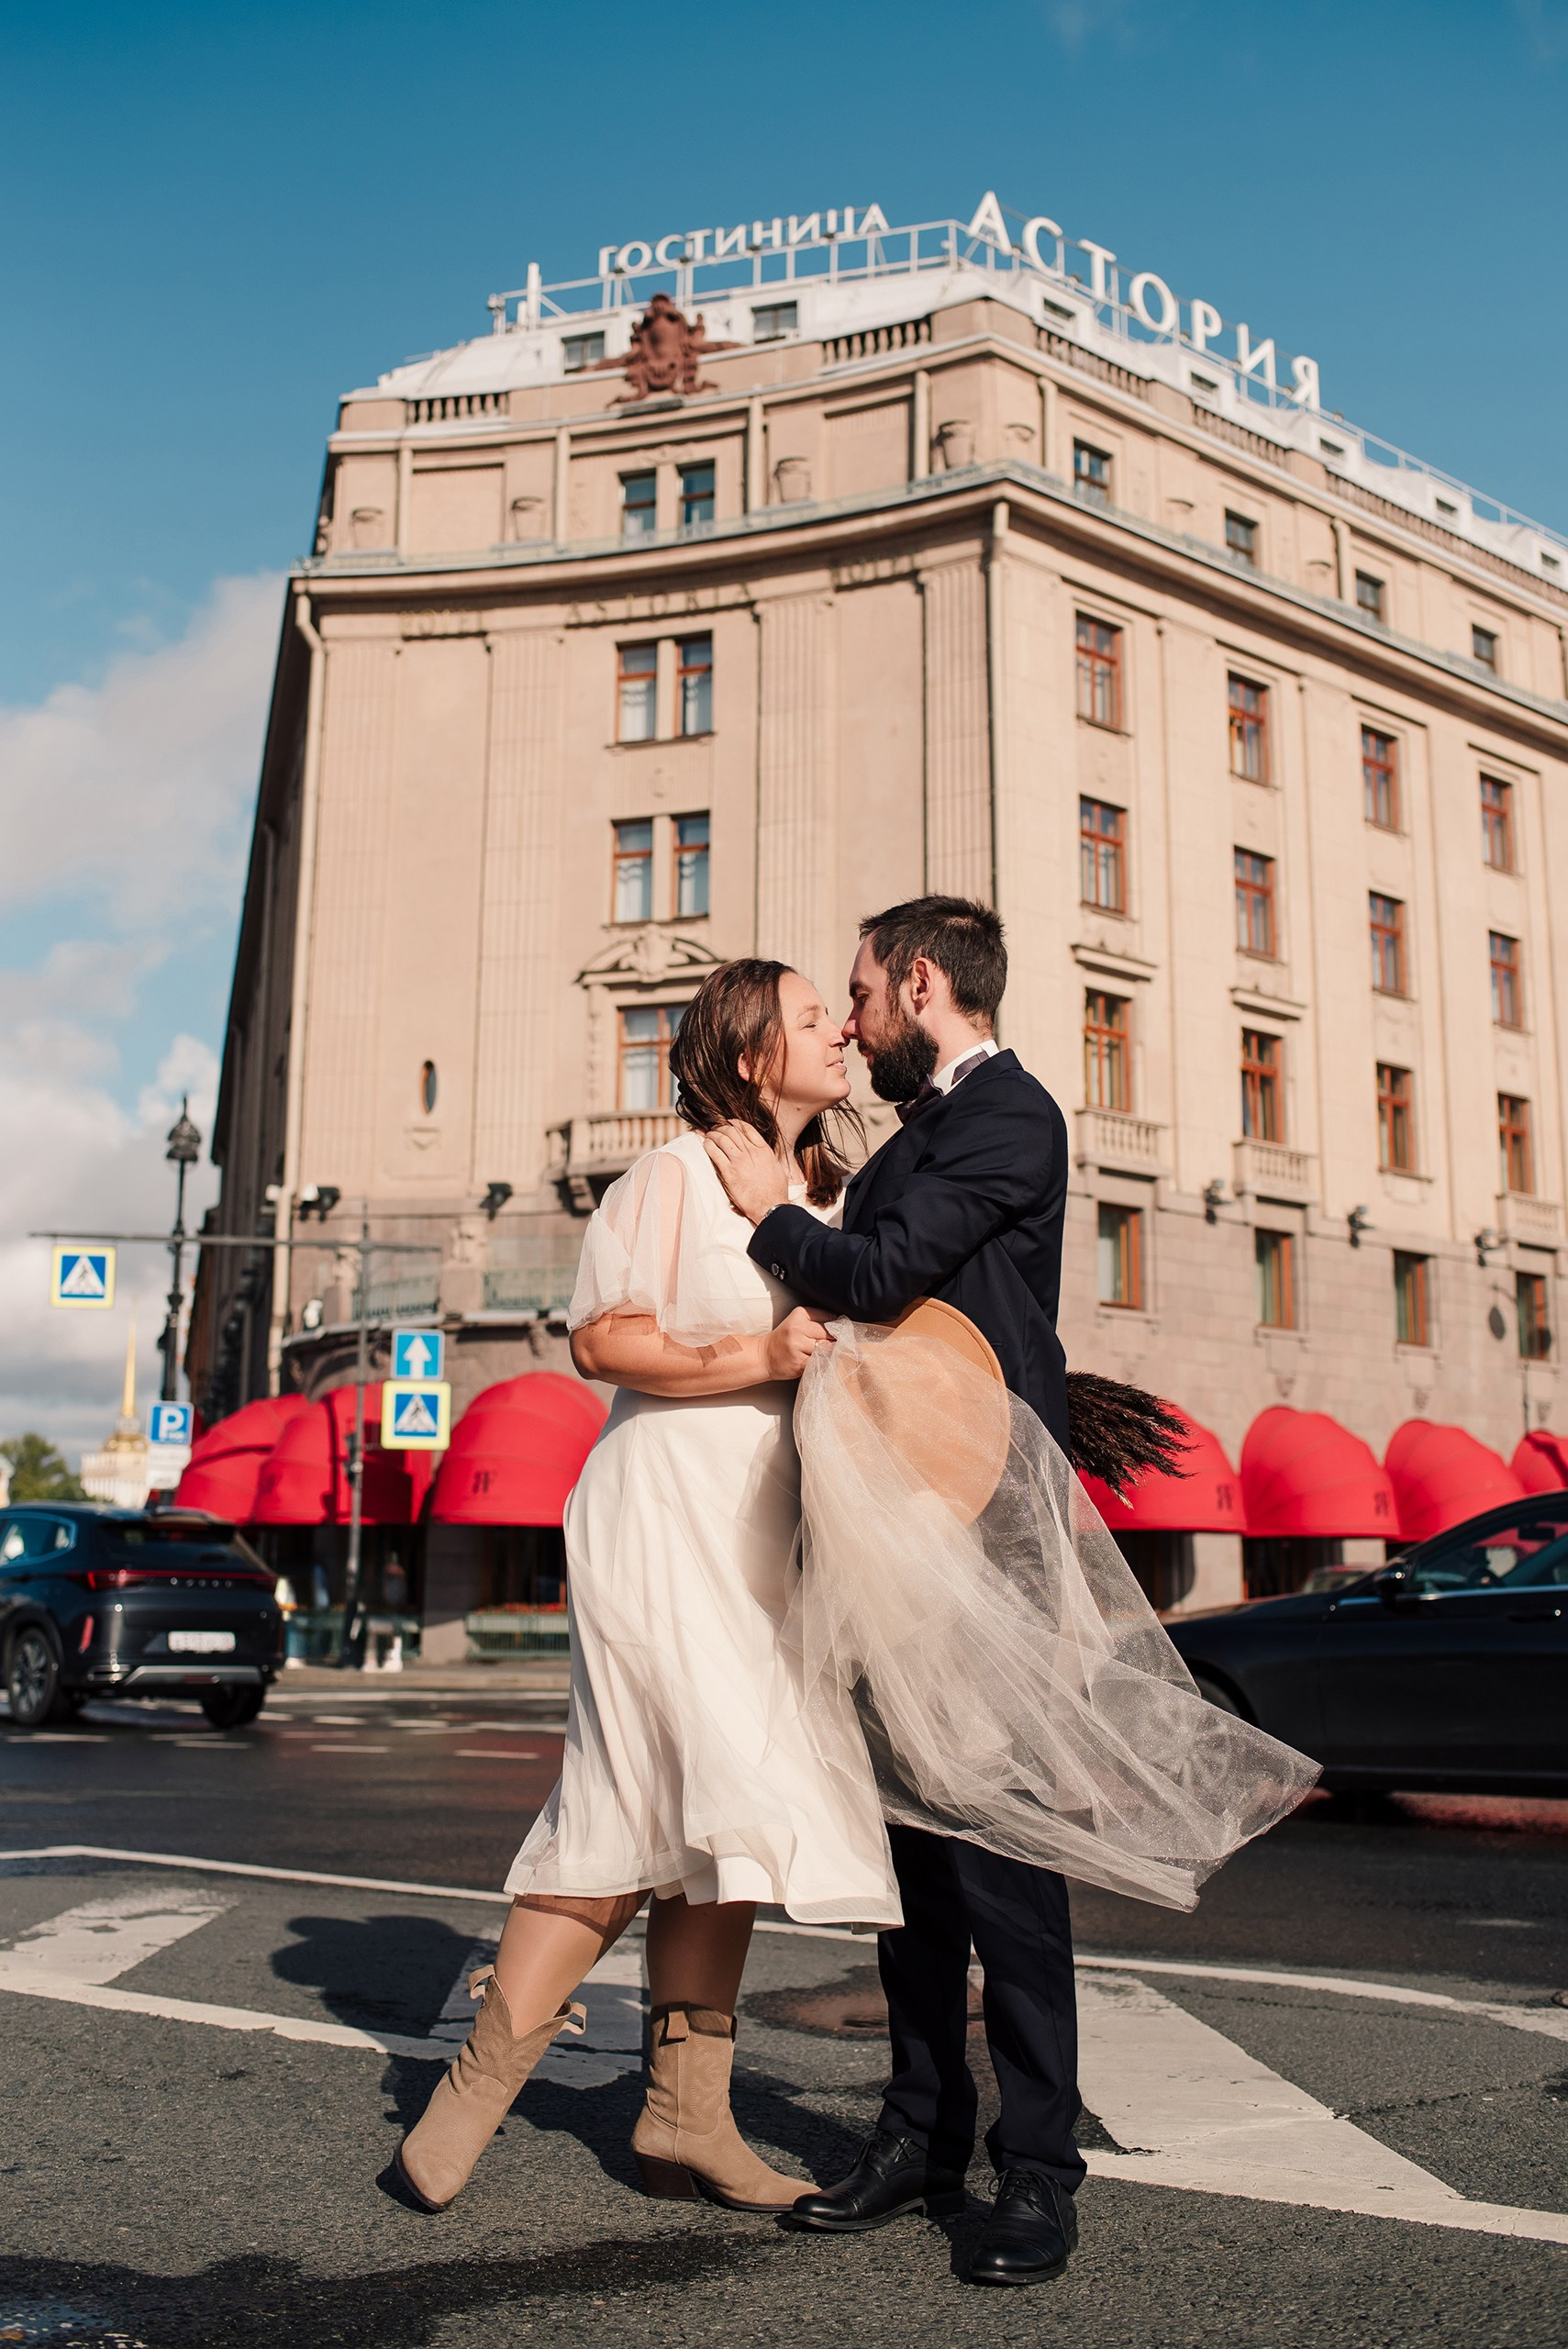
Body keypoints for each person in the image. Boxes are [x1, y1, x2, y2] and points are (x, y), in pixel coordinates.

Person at [395, 961, 901, 2216]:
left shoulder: (816, 1193)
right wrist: (755, 1353)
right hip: (664, 1501)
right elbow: (602, 1338)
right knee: (635, 1784)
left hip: (764, 1520)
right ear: (744, 1052)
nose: (838, 1028)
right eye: (806, 1016)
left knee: (718, 1807)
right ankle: (476, 2084)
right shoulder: (671, 1175)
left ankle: (685, 2118)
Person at [703, 896, 1089, 2288]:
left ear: (921, 983)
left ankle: (1036, 2171)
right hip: (887, 1526)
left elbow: (874, 1274)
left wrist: (768, 1217)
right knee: (908, 1858)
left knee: (1000, 1858)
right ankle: (920, 2132)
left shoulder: (1010, 1117)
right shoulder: (919, 1131)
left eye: (861, 996)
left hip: (979, 1527)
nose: (852, 1024)